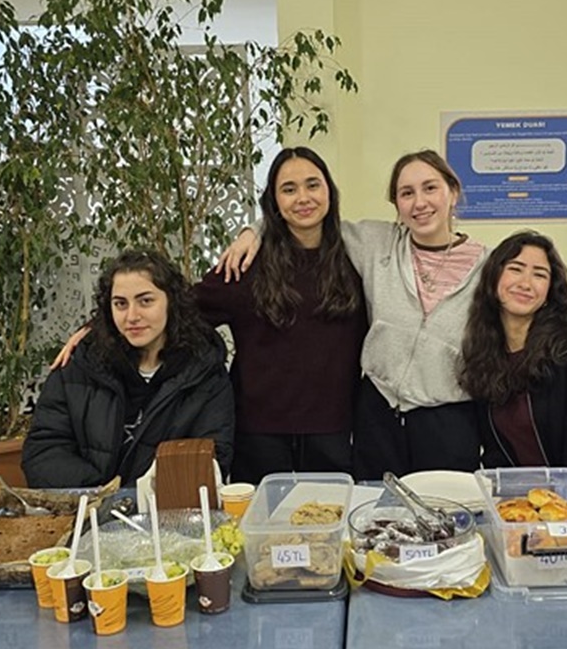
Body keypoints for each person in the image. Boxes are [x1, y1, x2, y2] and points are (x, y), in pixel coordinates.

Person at [223, 149, 567, 478]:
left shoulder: (488, 265)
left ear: (453, 193)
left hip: (448, 421)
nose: (419, 202)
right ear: (396, 205)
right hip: (377, 416)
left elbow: (536, 302)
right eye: (406, 193)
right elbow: (305, 215)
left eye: (430, 188)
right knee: (377, 520)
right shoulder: (375, 243)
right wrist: (252, 231)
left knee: (447, 522)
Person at [50, 150, 367, 483]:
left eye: (312, 185)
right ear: (274, 200)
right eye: (288, 189)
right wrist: (99, 326)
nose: (302, 197)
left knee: (332, 514)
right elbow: (176, 307)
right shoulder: (245, 265)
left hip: (336, 431)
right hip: (258, 436)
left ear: (329, 190)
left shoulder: (358, 259)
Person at [23, 249, 234, 488]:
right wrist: (105, 496)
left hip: (166, 508)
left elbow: (211, 459)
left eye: (146, 301)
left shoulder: (205, 373)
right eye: (120, 304)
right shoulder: (78, 364)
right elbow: (43, 452)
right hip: (87, 505)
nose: (132, 316)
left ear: (171, 302)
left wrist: (140, 497)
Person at [457, 230, 567, 476]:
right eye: (515, 269)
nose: (525, 284)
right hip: (524, 493)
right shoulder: (483, 354)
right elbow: (495, 452)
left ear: (549, 291)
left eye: (539, 275)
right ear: (493, 278)